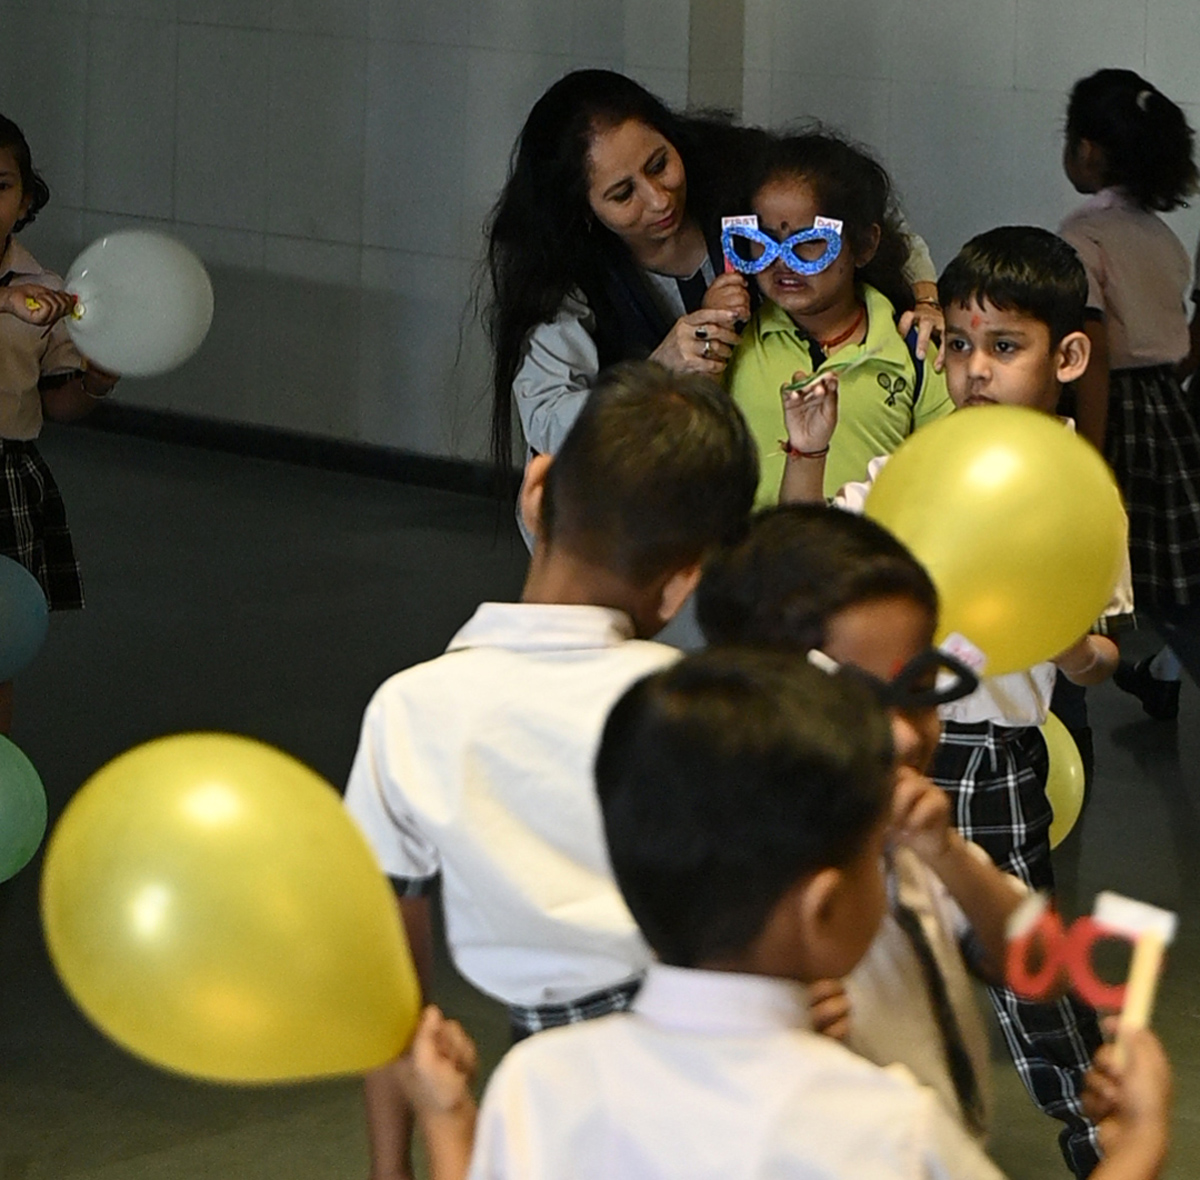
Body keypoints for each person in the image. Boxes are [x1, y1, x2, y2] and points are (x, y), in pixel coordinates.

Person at [386, 651, 1174, 1180]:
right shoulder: (887, 1127)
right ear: (825, 910)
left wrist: (449, 1121)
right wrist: (1138, 1144)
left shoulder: (537, 1083)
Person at [343, 361, 758, 1180]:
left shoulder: (409, 710)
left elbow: (387, 984)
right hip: (726, 1060)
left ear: (537, 490)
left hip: (549, 1082)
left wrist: (391, 1169)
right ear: (684, 584)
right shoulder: (696, 706)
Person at [778, 226, 1133, 1176]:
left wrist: (1063, 635)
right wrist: (806, 453)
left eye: (1005, 347)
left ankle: (1102, 1132)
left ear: (1067, 357)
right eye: (961, 345)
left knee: (1024, 969)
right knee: (851, 949)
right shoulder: (917, 471)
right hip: (876, 745)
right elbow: (806, 562)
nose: (976, 369)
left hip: (990, 759)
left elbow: (1101, 659)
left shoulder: (1077, 495)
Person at [695, 504, 1024, 1138]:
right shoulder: (727, 888)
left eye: (920, 691)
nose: (905, 736)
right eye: (860, 703)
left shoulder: (915, 840)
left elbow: (1037, 964)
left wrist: (949, 855)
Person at [485, 70, 943, 486]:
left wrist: (926, 300)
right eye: (623, 194)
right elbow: (549, 421)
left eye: (659, 164)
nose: (659, 200)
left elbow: (868, 216)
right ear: (583, 212)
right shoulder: (564, 277)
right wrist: (654, 376)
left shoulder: (741, 172)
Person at [1058, 69, 1200, 719]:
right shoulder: (1161, 237)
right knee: (1176, 582)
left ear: (1087, 150)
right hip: (1168, 409)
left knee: (1115, 577)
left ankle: (1069, 711)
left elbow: (1093, 353)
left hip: (1115, 414)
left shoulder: (1082, 235)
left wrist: (1089, 458)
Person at [722, 131, 953, 506]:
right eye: (763, 240)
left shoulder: (916, 350)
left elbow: (946, 479)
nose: (782, 261)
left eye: (809, 242)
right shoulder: (732, 340)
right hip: (753, 544)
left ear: (865, 245)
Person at [0, 114, 118, 732]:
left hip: (6, 478)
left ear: (25, 202)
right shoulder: (18, 297)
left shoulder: (45, 289)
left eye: (0, 186)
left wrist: (97, 380)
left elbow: (58, 405)